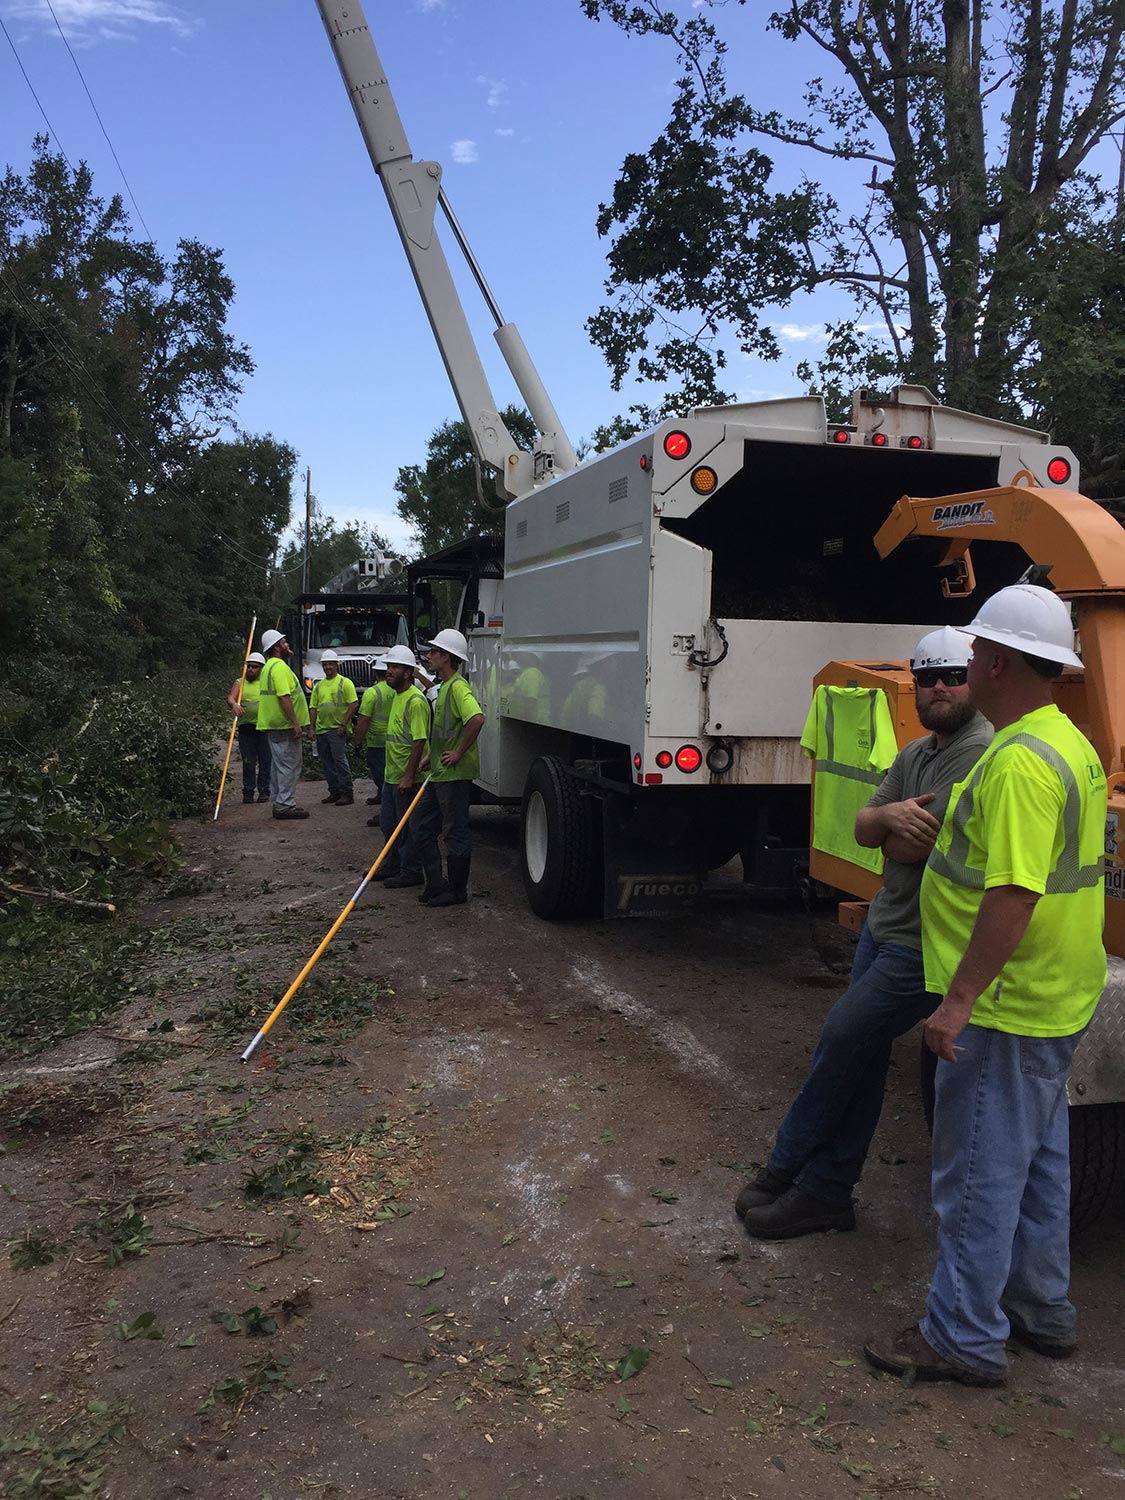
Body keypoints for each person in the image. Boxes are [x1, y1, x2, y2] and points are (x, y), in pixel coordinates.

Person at [865, 586, 1107, 1388]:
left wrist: (958, 1000)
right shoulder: (1062, 740)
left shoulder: (1014, 765)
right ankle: (1040, 1308)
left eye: (972, 651)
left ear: (997, 661)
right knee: (1037, 1163)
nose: (963, 662)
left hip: (1004, 1006)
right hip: (1055, 993)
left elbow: (1011, 894)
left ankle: (961, 1336)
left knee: (975, 1174)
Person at [738, 627, 993, 1240]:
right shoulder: (917, 754)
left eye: (953, 675)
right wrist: (883, 816)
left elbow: (917, 844)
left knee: (842, 1037)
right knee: (861, 1055)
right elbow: (865, 827)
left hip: (923, 943)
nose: (938, 687)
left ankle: (788, 1166)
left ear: (975, 680)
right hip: (885, 926)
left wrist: (891, 825)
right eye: (926, 676)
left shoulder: (978, 750)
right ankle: (828, 1190)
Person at [413, 628, 485, 907]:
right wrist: (435, 755)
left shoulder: (458, 688)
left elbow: (476, 719)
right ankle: (435, 883)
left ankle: (456, 891)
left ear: (447, 657)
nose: (429, 656)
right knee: (420, 825)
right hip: (439, 772)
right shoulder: (443, 689)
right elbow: (446, 730)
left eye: (434, 652)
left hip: (454, 775)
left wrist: (457, 753)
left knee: (455, 831)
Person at [374, 645, 431, 887]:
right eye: (388, 666)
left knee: (407, 827)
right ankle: (392, 864)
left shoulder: (416, 701)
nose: (389, 671)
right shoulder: (397, 696)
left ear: (408, 672)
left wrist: (408, 776)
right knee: (389, 824)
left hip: (407, 778)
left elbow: (419, 740)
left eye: (395, 667)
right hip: (392, 775)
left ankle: (411, 871)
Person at [257, 627, 311, 821]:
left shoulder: (268, 667)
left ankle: (279, 801)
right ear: (277, 646)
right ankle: (285, 804)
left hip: (274, 724)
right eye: (284, 642)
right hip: (284, 725)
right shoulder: (279, 668)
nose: (287, 644)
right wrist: (295, 722)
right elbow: (284, 697)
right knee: (289, 765)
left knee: (279, 764)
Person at [309, 650, 358, 806]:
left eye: (330, 664)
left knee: (339, 761)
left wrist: (343, 724)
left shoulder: (345, 683)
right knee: (327, 763)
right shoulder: (319, 686)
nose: (327, 667)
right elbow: (313, 707)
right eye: (325, 664)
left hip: (337, 729)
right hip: (322, 729)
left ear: (336, 665)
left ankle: (347, 793)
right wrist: (312, 728)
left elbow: (354, 704)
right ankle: (334, 792)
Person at [354, 658, 393, 826]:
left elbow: (363, 720)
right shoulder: (398, 690)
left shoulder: (372, 692)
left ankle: (387, 814)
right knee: (390, 777)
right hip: (396, 741)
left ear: (376, 673)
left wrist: (358, 742)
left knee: (382, 779)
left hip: (377, 742)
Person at [228, 651, 271, 804]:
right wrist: (234, 704)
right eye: (249, 666)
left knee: (266, 760)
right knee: (248, 761)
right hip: (246, 728)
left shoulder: (267, 682)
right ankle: (248, 791)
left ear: (261, 668)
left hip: (264, 727)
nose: (251, 669)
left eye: (255, 667)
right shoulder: (240, 682)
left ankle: (264, 790)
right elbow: (231, 697)